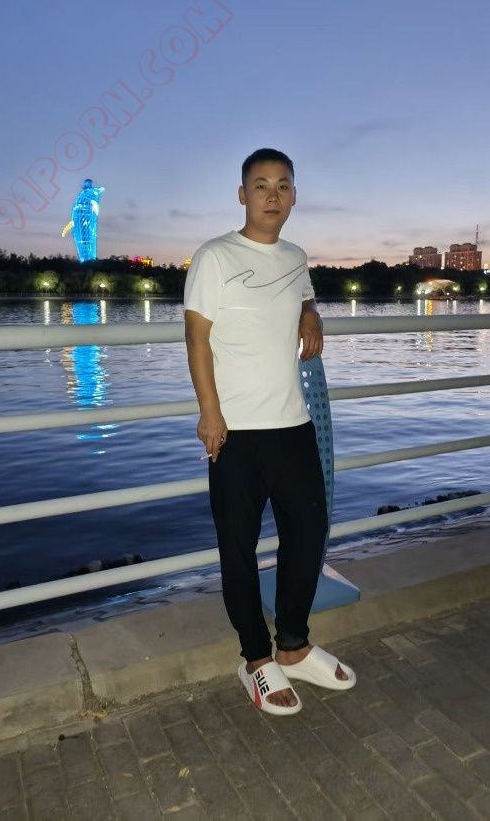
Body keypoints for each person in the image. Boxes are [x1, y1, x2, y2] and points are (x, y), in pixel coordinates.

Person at [183, 148, 356, 716]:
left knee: (307, 533)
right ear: (242, 195)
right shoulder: (214, 256)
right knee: (237, 548)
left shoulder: (296, 256)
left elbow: (302, 293)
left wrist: (311, 313)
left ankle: (294, 645)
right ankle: (256, 659)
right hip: (236, 432)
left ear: (294, 196)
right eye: (261, 185)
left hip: (292, 426)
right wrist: (210, 413)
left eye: (283, 185)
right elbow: (196, 339)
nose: (272, 195)